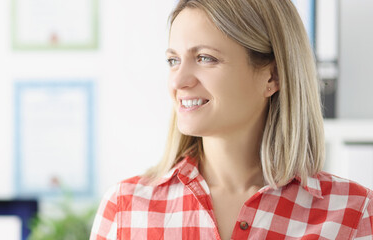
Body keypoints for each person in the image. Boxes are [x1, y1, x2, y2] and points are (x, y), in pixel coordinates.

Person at [90, 0, 373, 239]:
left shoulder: (353, 212)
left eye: (205, 58)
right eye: (173, 60)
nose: (179, 80)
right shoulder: (125, 208)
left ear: (272, 76)